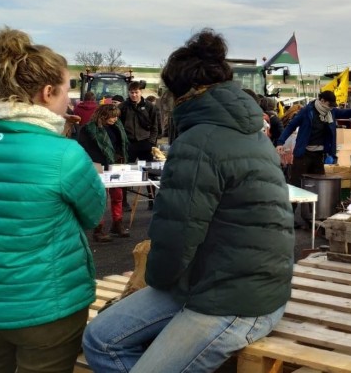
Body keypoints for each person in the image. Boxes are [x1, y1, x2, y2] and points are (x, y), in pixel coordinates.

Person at [82, 29, 294, 373]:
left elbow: (176, 236)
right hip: (222, 280)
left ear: (182, 94)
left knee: (103, 343)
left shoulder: (198, 142)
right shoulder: (251, 132)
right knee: (100, 338)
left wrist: (157, 280)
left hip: (235, 297)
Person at [0, 27, 106, 373]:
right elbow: (93, 215)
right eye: (68, 89)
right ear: (48, 92)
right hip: (46, 306)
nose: (70, 98)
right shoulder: (64, 155)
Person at [276, 89, 351, 185]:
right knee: (297, 182)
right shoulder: (307, 111)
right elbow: (291, 126)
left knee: (318, 183)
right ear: (322, 101)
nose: (330, 108)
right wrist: (280, 142)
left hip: (318, 155)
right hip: (303, 154)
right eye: (330, 105)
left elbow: (345, 113)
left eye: (333, 106)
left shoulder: (331, 112)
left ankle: (314, 200)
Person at [77, 103, 131, 242]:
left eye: (116, 116)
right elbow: (83, 149)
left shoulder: (117, 126)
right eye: (112, 116)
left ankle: (117, 224)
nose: (115, 119)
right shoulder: (88, 129)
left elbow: (122, 144)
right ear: (103, 115)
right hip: (97, 166)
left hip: (116, 164)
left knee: (117, 195)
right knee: (101, 197)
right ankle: (98, 229)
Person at [119, 82, 158, 163]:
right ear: (128, 92)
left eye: (136, 92)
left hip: (145, 142)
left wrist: (151, 142)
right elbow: (118, 126)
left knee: (149, 169)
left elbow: (154, 126)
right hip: (128, 143)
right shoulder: (122, 107)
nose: (134, 95)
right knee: (127, 168)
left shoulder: (149, 106)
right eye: (131, 92)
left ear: (141, 92)